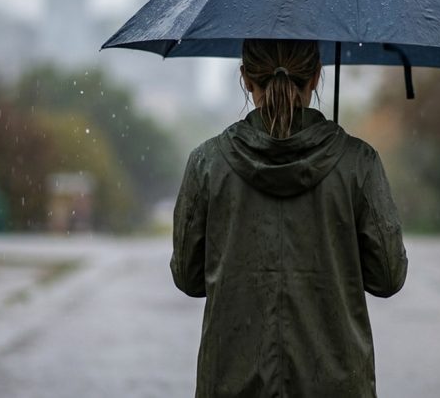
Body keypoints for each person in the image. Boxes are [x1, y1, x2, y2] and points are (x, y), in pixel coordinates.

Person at [171, 39, 408, 398]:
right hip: (336, 384)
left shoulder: (207, 163)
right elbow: (387, 278)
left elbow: (189, 279)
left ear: (245, 79)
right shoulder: (359, 162)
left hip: (232, 383)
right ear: (315, 76)